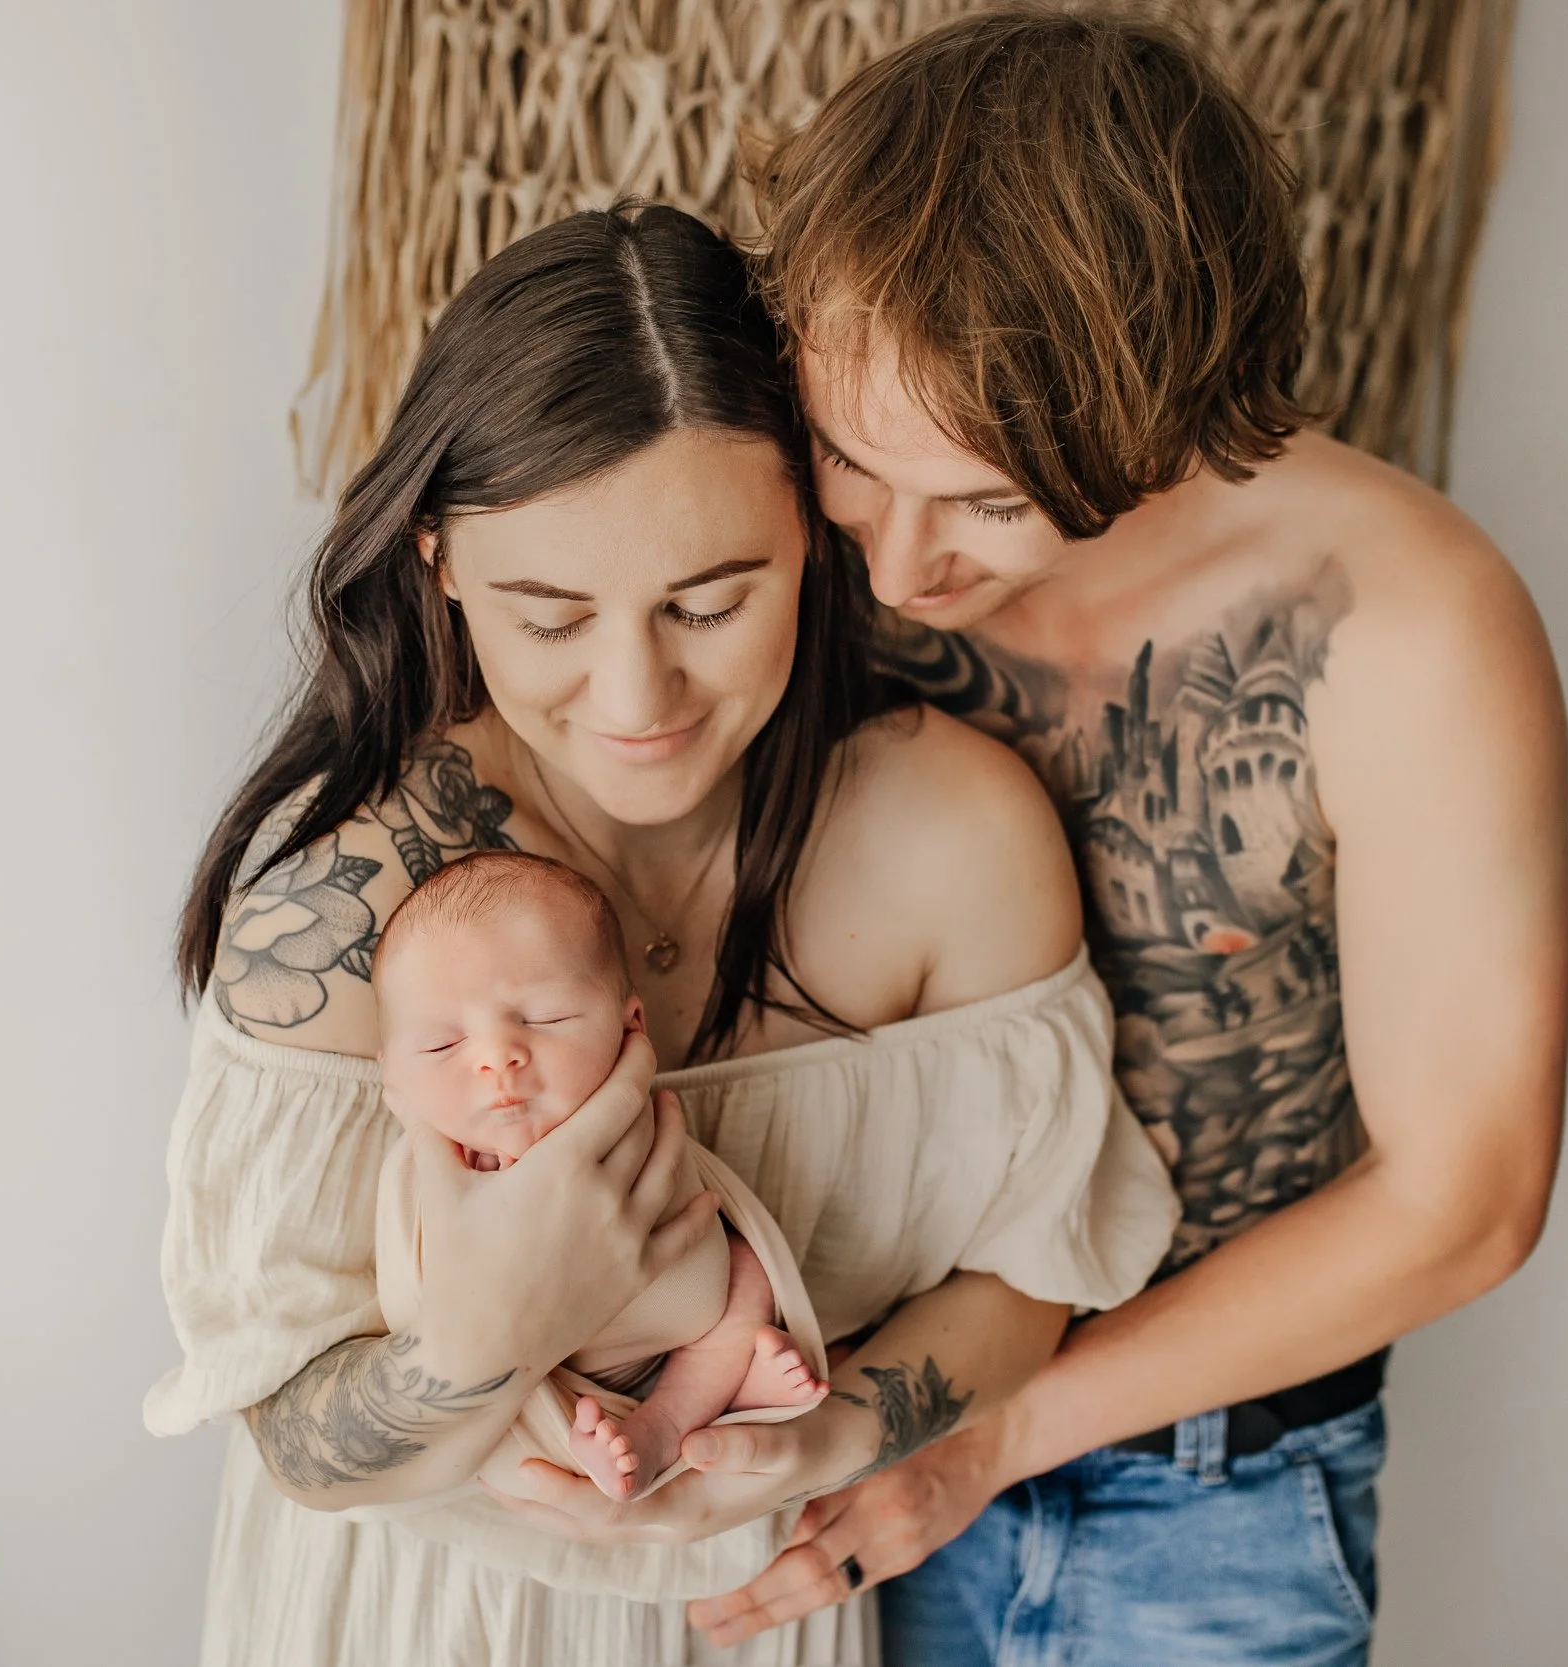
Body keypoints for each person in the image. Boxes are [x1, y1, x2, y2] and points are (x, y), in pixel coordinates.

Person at [142, 202, 1180, 1666]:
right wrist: (478, 1339)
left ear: (816, 539)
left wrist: (822, 1436)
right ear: (437, 560)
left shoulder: (959, 842)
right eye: (549, 613)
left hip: (757, 1612)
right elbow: (294, 1433)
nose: (639, 694)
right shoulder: (344, 910)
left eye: (711, 599)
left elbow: (1030, 1268)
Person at [690, 10, 1568, 1663]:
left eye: (989, 501)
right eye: (854, 470)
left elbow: (1470, 1194)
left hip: (1200, 1505)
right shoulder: (781, 523)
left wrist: (990, 1438)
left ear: (1170, 397)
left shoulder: (1404, 625)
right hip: (802, 1460)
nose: (893, 571)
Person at [368, 848, 828, 1504]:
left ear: (629, 1025)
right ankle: (633, 1434)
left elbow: (689, 1190)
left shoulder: (633, 1115)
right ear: (392, 1077)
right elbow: (422, 1300)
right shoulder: (435, 1171)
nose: (499, 1057)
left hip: (687, 1310)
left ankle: (687, 1406)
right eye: (442, 1044)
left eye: (545, 1018)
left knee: (752, 1269)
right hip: (542, 1372)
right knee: (509, 1434)